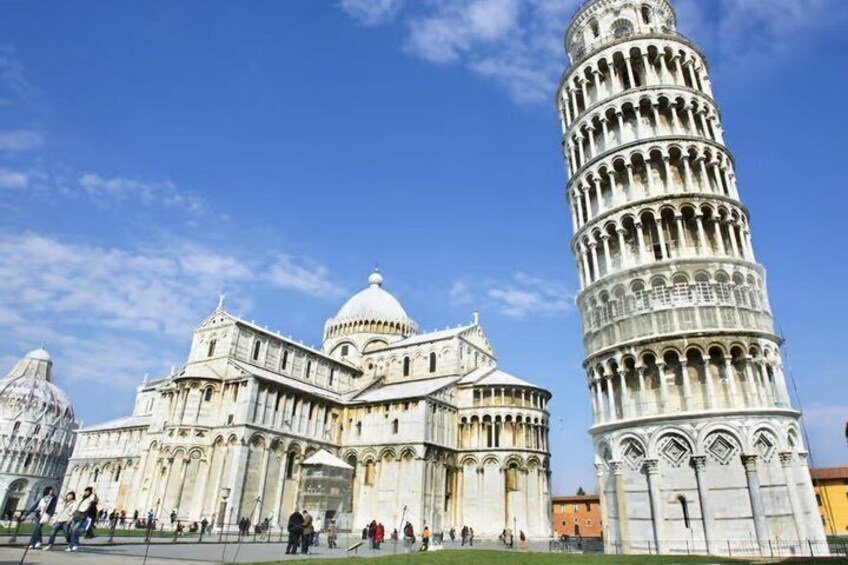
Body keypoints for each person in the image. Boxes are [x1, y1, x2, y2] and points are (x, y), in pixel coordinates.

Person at [68, 486, 97, 552]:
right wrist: (71, 513)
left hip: (82, 516)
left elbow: (94, 500)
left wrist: (93, 493)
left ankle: (74, 545)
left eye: (88, 491)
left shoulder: (90, 500)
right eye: (86, 491)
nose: (86, 492)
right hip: (76, 515)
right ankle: (72, 545)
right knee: (73, 531)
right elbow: (76, 506)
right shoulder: (81, 498)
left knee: (74, 530)